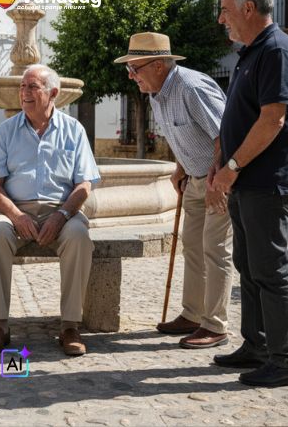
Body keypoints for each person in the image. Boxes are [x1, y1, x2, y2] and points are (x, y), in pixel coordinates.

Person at [210, 0, 288, 387]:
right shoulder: (250, 53)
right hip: (246, 182)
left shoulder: (278, 51)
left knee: (271, 271)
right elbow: (238, 118)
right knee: (250, 269)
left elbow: (273, 119)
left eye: (226, 10)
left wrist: (231, 166)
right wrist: (223, 168)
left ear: (249, 9)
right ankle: (257, 346)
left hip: (267, 183)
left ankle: (286, 362)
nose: (221, 20)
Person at [114, 32, 233, 349]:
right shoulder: (156, 94)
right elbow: (182, 136)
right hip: (193, 180)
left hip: (217, 182)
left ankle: (216, 325)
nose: (131, 75)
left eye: (135, 68)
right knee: (193, 248)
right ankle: (193, 315)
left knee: (215, 250)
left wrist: (217, 181)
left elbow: (227, 135)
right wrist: (180, 168)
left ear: (158, 65)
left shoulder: (191, 88)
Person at [0, 64, 100, 357]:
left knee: (79, 237)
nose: (24, 93)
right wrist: (16, 216)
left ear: (53, 93)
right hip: (15, 211)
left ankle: (70, 326)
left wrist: (62, 215)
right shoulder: (7, 131)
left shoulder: (73, 130)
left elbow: (84, 185)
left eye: (32, 87)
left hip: (61, 210)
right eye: (23, 87)